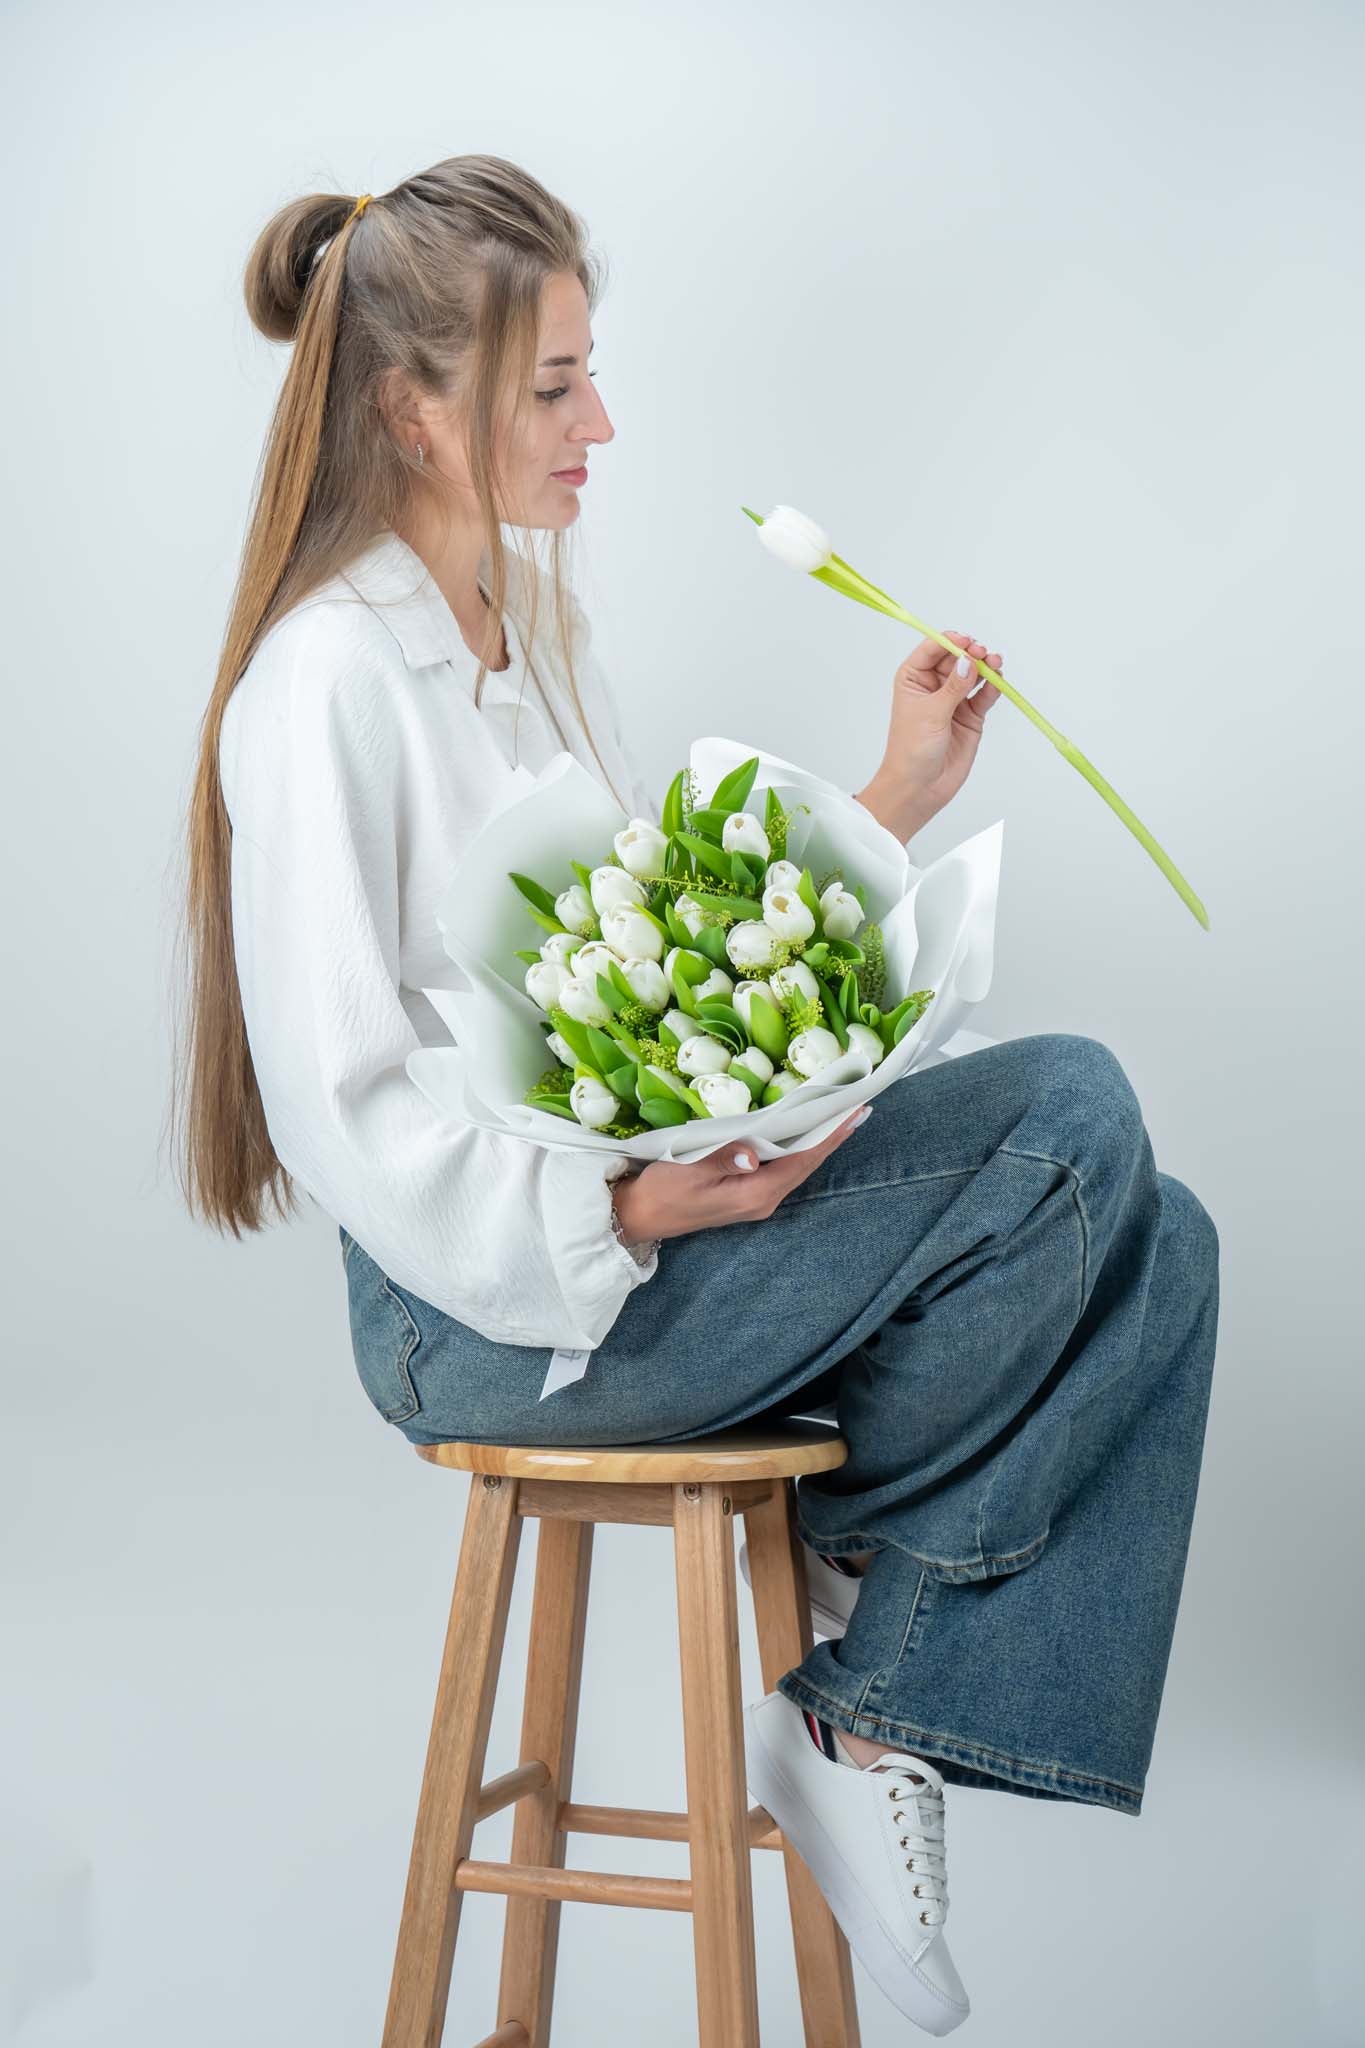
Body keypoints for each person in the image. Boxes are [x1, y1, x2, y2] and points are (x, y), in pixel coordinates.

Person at [171, 153, 1220, 2037]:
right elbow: (340, 1102)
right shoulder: (322, 684)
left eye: (592, 374)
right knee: (1073, 1114)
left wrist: (890, 799)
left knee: (1172, 1242)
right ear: (417, 405)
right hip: (477, 1316)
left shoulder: (537, 644)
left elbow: (656, 952)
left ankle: (860, 1707)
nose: (602, 426)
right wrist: (626, 1209)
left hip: (643, 1255)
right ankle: (865, 1674)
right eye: (554, 385)